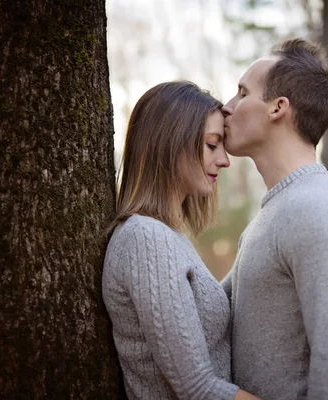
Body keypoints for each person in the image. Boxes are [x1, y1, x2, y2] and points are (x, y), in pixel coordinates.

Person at [221, 39, 328, 399]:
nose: (227, 108)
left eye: (242, 93)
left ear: (278, 108)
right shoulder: (279, 209)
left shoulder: (319, 211)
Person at [103, 81, 259, 400]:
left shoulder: (168, 235)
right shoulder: (145, 239)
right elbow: (197, 388)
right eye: (211, 145)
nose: (225, 160)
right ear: (170, 143)